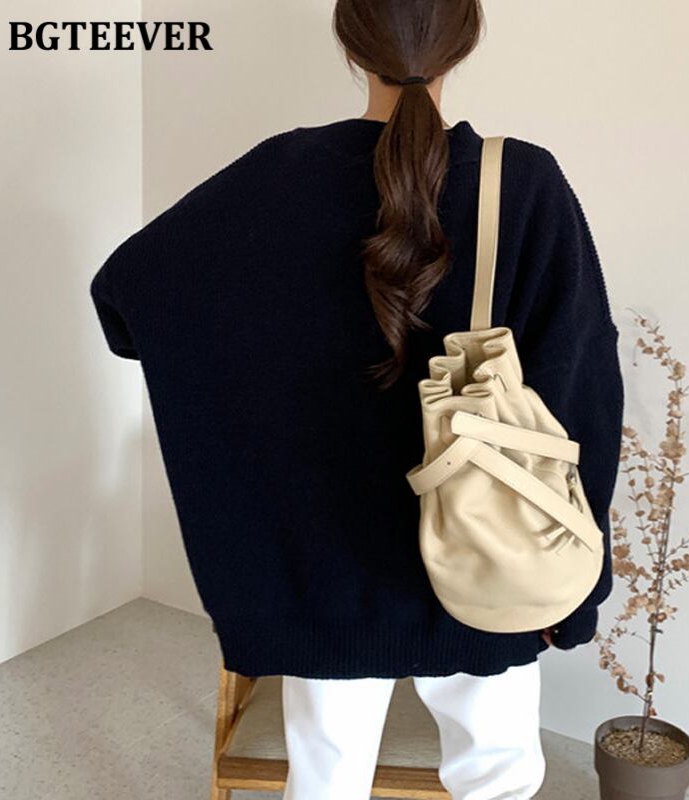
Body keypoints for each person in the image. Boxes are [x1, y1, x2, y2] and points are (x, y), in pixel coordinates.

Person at [89, 2, 625, 798]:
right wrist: (582, 589)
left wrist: (248, 369)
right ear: (464, 44)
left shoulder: (276, 173)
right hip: (491, 547)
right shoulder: (523, 181)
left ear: (351, 45)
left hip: (323, 562)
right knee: (498, 775)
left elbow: (127, 291)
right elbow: (580, 390)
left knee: (326, 775)